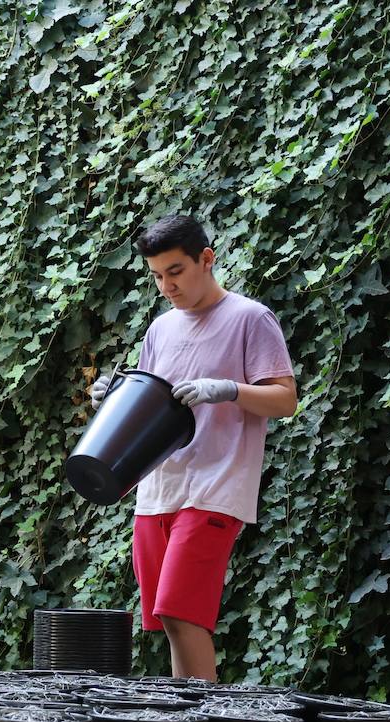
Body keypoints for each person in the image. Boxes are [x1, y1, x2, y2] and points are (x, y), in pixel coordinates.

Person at [90, 215, 297, 681]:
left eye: (176, 272)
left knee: (184, 613)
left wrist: (228, 389)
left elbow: (285, 399)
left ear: (207, 259)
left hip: (216, 485)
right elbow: (145, 406)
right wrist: (112, 396)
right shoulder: (161, 329)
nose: (167, 286)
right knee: (168, 619)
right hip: (157, 489)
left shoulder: (250, 318)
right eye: (157, 276)